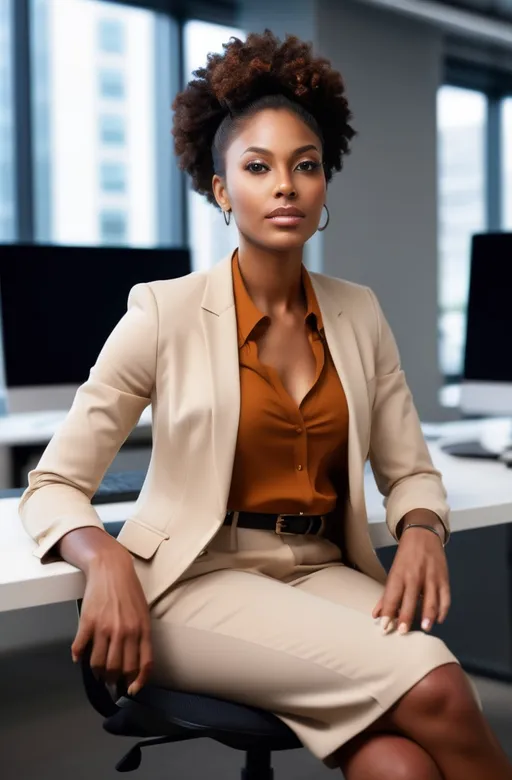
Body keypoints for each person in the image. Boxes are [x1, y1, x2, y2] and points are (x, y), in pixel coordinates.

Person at [19, 30, 512, 780]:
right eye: (257, 167)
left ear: (323, 186)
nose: (284, 185)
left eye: (304, 167)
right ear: (222, 190)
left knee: (401, 767)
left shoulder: (359, 313)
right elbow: (53, 483)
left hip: (319, 568)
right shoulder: (162, 312)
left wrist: (420, 530)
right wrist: (106, 556)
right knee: (443, 688)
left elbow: (410, 469)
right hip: (194, 581)